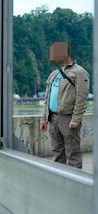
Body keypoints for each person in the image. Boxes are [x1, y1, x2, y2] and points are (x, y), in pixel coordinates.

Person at [39, 41, 90, 169]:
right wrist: (44, 118)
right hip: (53, 117)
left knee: (72, 152)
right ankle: (59, 181)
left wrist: (76, 119)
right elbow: (47, 98)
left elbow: (82, 98)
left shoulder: (80, 72)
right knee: (57, 152)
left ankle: (75, 183)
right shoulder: (54, 73)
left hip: (68, 118)